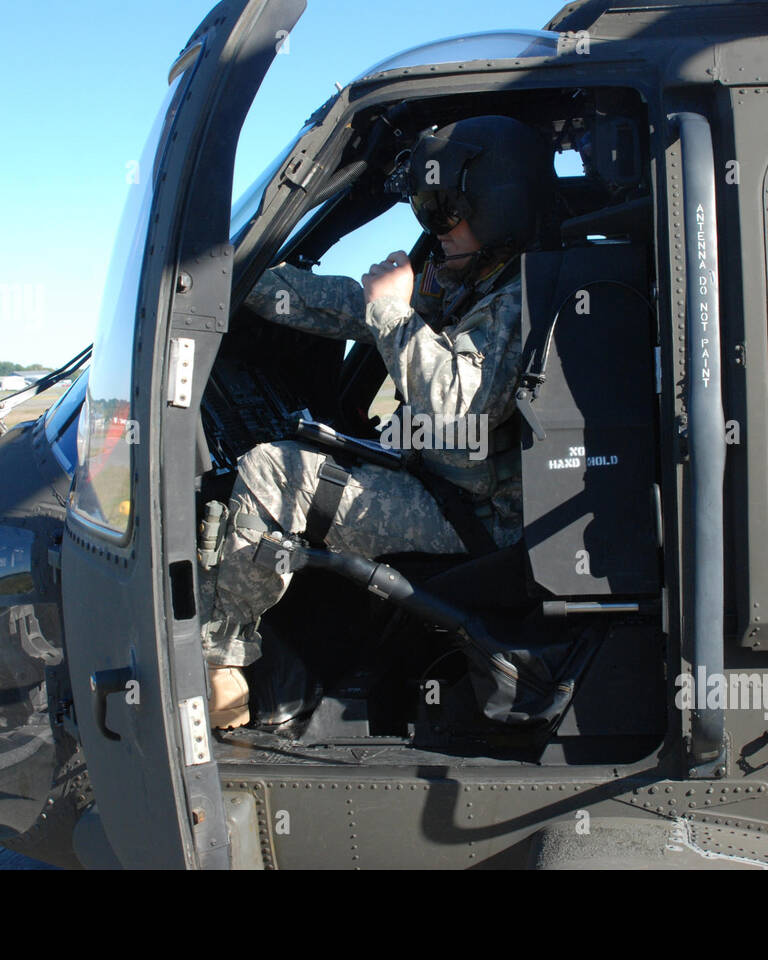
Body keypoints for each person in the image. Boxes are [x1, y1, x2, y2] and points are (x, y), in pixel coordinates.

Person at [201, 115, 555, 729]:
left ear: (498, 210)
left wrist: (390, 307)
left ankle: (222, 673)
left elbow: (455, 407)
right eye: (425, 210)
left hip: (487, 519)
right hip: (453, 488)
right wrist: (241, 276)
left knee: (271, 475)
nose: (433, 227)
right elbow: (347, 308)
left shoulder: (518, 299)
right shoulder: (467, 281)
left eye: (445, 210)